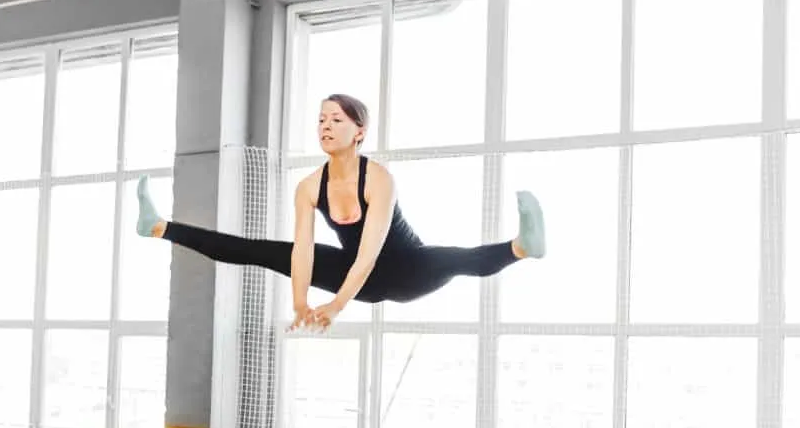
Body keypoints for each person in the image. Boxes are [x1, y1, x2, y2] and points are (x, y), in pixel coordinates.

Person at [135, 93, 545, 331]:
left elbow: (370, 252)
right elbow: (302, 253)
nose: (325, 126)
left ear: (359, 131)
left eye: (336, 119)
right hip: (356, 276)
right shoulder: (309, 187)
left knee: (455, 257)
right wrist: (300, 303)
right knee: (261, 250)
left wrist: (335, 306)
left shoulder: (378, 178)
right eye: (320, 119)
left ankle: (521, 248)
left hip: (409, 270)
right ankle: (158, 227)